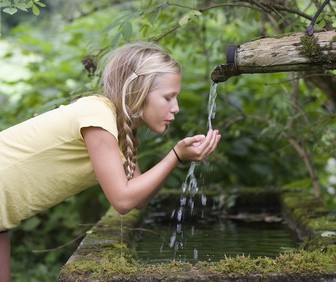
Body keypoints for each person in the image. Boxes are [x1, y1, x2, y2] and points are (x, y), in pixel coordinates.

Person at [0, 42, 221, 281]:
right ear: (139, 91)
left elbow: (138, 199)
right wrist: (175, 155)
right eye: (168, 97)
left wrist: (178, 158)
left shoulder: (118, 130)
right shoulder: (98, 116)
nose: (176, 108)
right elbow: (122, 200)